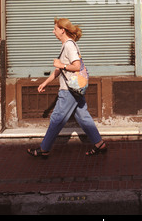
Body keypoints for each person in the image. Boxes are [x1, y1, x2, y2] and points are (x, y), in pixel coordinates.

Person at [27, 18, 107, 159]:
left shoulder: (69, 46)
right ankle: (99, 144)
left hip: (69, 90)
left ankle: (44, 149)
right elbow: (59, 70)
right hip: (75, 88)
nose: (53, 31)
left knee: (57, 119)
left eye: (55, 29)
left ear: (62, 30)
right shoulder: (67, 45)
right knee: (83, 117)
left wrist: (61, 64)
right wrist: (45, 82)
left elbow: (76, 66)